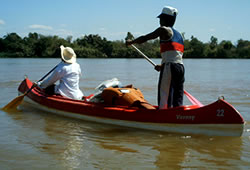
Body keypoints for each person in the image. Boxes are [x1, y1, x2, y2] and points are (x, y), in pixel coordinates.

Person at [126, 6, 185, 109]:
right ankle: (178, 113)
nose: (160, 21)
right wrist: (162, 66)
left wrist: (131, 42)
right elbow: (175, 55)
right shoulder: (179, 35)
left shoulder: (164, 30)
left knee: (164, 94)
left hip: (170, 67)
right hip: (180, 68)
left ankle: (163, 114)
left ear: (167, 19)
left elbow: (145, 38)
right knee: (177, 96)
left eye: (161, 18)